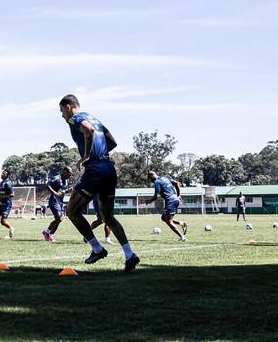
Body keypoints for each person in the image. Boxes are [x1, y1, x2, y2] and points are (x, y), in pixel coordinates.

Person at [58, 95, 139, 272]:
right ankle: (130, 255)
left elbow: (88, 131)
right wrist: (101, 153)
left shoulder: (75, 118)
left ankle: (97, 249)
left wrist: (87, 156)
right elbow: (112, 142)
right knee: (108, 217)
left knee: (72, 211)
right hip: (109, 168)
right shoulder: (95, 119)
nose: (62, 116)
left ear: (69, 106)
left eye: (62, 111)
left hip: (95, 170)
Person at [147, 171, 188, 241]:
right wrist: (178, 195)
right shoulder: (164, 178)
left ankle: (182, 237)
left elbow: (157, 196)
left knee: (169, 221)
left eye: (150, 179)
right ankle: (181, 223)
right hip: (174, 200)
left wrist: (149, 201)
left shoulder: (157, 182)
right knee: (163, 218)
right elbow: (176, 183)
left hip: (170, 201)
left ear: (152, 176)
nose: (150, 181)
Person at [41, 166, 72, 242]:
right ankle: (49, 233)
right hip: (54, 200)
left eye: (71, 174)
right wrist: (55, 193)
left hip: (60, 202)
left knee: (59, 219)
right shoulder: (56, 178)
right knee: (59, 218)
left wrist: (68, 191)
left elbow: (62, 191)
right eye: (69, 173)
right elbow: (47, 185)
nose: (70, 175)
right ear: (64, 172)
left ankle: (48, 233)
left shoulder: (66, 181)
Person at [0, 169, 15, 239]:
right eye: (2, 173)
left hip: (6, 204)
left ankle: (11, 228)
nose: (2, 175)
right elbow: (2, 194)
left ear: (7, 175)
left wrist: (2, 196)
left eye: (4, 174)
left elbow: (12, 194)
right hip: (0, 203)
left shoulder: (8, 183)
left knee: (3, 221)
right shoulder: (1, 183)